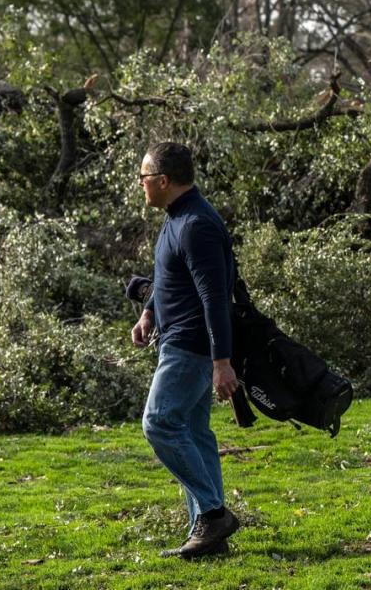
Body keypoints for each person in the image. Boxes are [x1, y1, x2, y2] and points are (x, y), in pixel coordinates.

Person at [131, 141, 241, 559]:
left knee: (158, 423)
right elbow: (168, 276)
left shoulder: (197, 224)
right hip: (176, 337)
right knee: (194, 433)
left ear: (163, 180)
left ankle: (213, 513)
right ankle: (210, 539)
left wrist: (222, 362)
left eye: (143, 176)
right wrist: (148, 314)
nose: (140, 183)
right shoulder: (176, 216)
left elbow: (215, 298)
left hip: (192, 345)